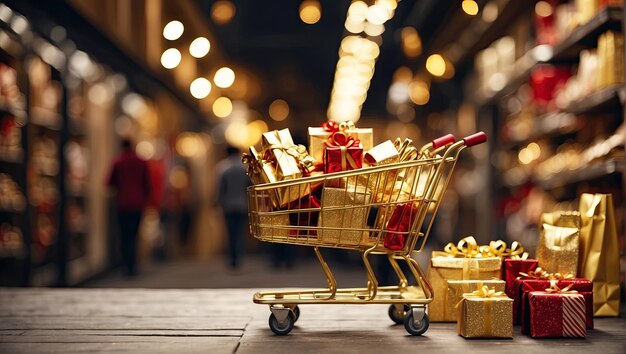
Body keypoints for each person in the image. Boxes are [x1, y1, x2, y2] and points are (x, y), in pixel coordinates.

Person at [107, 139, 152, 276]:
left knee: (124, 235)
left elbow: (109, 182)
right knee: (134, 235)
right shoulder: (141, 162)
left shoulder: (118, 162)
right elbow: (147, 184)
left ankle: (126, 264)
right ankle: (133, 265)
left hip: (122, 204)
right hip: (137, 204)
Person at [215, 145, 250, 269]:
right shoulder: (244, 168)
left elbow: (219, 190)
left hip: (228, 205)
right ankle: (239, 256)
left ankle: (233, 258)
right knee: (240, 232)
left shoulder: (222, 168)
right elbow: (249, 187)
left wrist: (218, 204)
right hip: (243, 204)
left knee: (231, 233)